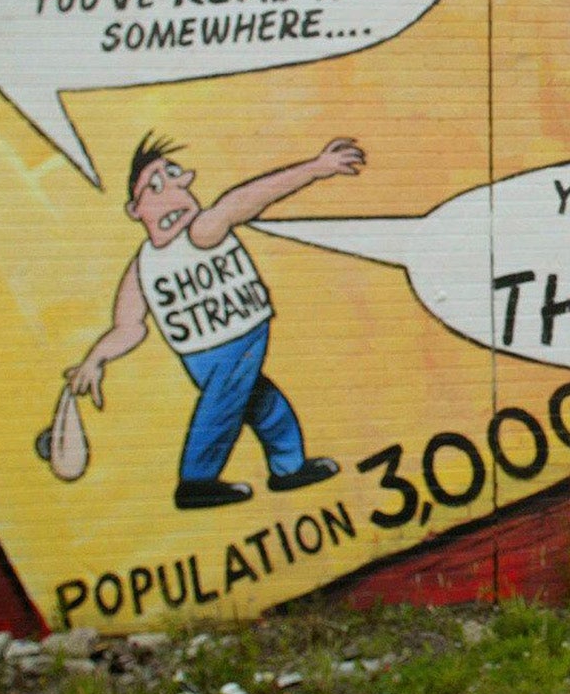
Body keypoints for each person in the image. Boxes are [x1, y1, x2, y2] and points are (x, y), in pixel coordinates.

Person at [67, 133, 364, 510]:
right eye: (154, 187)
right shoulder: (147, 263)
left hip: (242, 338)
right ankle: (196, 482)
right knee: (222, 410)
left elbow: (248, 199)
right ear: (134, 210)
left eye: (174, 177)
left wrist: (317, 168)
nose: (171, 192)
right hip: (219, 349)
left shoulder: (202, 228)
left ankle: (288, 469)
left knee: (266, 406)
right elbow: (128, 326)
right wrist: (95, 358)